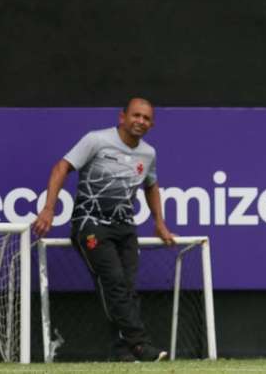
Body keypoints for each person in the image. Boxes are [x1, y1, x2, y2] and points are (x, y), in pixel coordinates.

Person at [32, 97, 175, 361]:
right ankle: (140, 344)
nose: (140, 121)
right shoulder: (96, 140)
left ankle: (122, 352)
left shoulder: (149, 153)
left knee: (126, 289)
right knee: (115, 284)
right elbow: (61, 167)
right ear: (122, 117)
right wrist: (49, 209)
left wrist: (160, 223)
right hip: (90, 225)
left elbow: (151, 185)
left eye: (146, 118)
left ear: (151, 124)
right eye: (136, 115)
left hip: (125, 228)